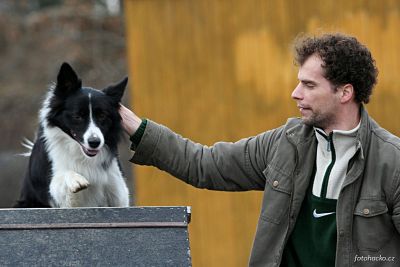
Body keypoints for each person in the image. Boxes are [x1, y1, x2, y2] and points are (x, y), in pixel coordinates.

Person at [119, 33, 400, 267]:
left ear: (345, 93)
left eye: (309, 85)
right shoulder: (284, 143)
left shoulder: (392, 161)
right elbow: (203, 164)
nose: (295, 93)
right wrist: (135, 125)